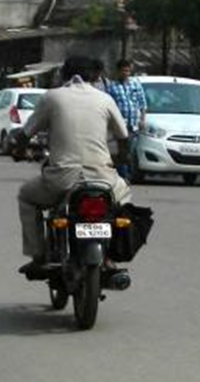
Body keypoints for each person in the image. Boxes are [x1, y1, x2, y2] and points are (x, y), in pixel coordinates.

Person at [15, 56, 131, 278]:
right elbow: (124, 138)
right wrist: (120, 162)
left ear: (63, 75)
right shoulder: (105, 99)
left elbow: (25, 134)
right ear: (95, 77)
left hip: (62, 178)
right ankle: (111, 255)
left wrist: (19, 151)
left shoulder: (52, 97)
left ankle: (38, 255)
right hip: (103, 177)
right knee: (122, 202)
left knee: (26, 197)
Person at [105, 59, 147, 182]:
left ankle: (125, 172)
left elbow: (142, 104)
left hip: (133, 124)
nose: (126, 73)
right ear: (118, 71)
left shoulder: (135, 85)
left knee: (130, 150)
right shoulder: (112, 87)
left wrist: (142, 120)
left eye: (128, 71)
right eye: (124, 71)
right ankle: (123, 175)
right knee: (122, 150)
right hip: (120, 124)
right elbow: (109, 105)